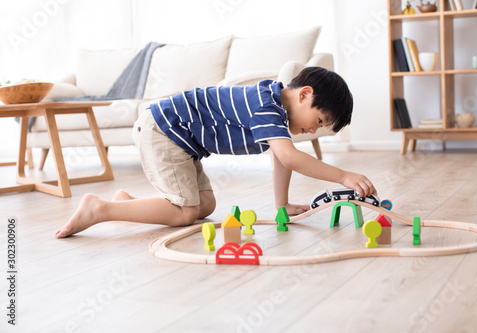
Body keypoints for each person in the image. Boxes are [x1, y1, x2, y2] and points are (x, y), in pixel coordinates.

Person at [56, 67, 376, 239]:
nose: (311, 130)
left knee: (204, 205)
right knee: (184, 212)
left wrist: (282, 205)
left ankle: (127, 205)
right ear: (305, 94)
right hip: (163, 132)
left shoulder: (273, 108)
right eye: (318, 121)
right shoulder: (268, 104)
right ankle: (99, 210)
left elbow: (281, 156)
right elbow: (290, 156)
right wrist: (343, 175)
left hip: (180, 142)